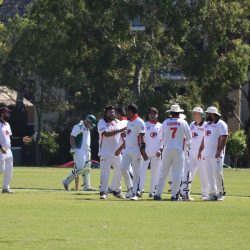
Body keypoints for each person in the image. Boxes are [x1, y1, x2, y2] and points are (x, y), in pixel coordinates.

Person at [154, 104, 191, 201]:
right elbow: (189, 138)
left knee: (163, 172)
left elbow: (160, 137)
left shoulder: (165, 122)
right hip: (178, 150)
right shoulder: (183, 122)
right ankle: (174, 195)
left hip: (167, 149)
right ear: (179, 113)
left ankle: (157, 194)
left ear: (171, 113)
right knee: (177, 173)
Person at [198, 106, 228, 201]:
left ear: (212, 114)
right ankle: (212, 193)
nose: (206, 115)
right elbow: (204, 138)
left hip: (216, 154)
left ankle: (221, 193)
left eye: (207, 114)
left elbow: (224, 137)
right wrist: (200, 150)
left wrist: (219, 151)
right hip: (207, 154)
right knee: (209, 174)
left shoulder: (221, 124)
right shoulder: (206, 125)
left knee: (217, 173)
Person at [97, 105, 126, 199]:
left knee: (121, 171)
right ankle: (103, 192)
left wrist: (121, 147)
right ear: (106, 113)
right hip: (105, 152)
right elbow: (106, 134)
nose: (112, 114)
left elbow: (123, 135)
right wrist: (120, 130)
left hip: (117, 153)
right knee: (105, 173)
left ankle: (117, 190)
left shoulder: (118, 122)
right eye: (110, 112)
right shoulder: (101, 122)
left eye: (113, 112)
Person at [0, 107, 31, 194]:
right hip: (0, 150)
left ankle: (5, 188)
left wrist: (22, 139)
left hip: (8, 150)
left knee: (9, 170)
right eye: (7, 113)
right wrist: (0, 148)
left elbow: (11, 138)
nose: (9, 114)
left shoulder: (7, 125)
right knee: (1, 170)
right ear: (3, 113)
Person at [180, 107, 209, 201]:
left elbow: (206, 139)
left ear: (200, 114)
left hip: (202, 153)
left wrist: (201, 151)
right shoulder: (191, 124)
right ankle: (185, 193)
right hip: (191, 153)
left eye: (195, 113)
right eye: (193, 113)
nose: (193, 115)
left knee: (203, 174)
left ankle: (205, 194)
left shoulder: (206, 125)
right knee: (189, 174)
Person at [62, 114, 96, 191]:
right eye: (90, 123)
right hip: (79, 150)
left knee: (87, 169)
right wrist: (73, 148)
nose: (91, 126)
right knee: (80, 169)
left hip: (87, 150)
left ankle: (87, 187)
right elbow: (72, 137)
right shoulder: (78, 126)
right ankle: (66, 181)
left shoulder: (87, 127)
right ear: (87, 121)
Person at [121, 104, 146, 200]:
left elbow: (142, 137)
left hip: (136, 149)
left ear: (132, 112)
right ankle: (131, 188)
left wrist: (142, 150)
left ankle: (134, 194)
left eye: (128, 111)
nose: (126, 113)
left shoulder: (140, 122)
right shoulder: (129, 122)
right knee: (123, 169)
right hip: (127, 149)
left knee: (136, 172)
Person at [139, 107, 162, 198]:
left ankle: (152, 191)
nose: (152, 115)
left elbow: (162, 140)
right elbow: (141, 138)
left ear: (157, 114)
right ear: (148, 115)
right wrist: (142, 150)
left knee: (155, 173)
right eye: (150, 113)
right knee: (142, 172)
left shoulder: (161, 126)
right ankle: (140, 190)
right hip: (145, 153)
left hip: (156, 153)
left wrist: (160, 150)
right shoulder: (144, 125)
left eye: (154, 113)